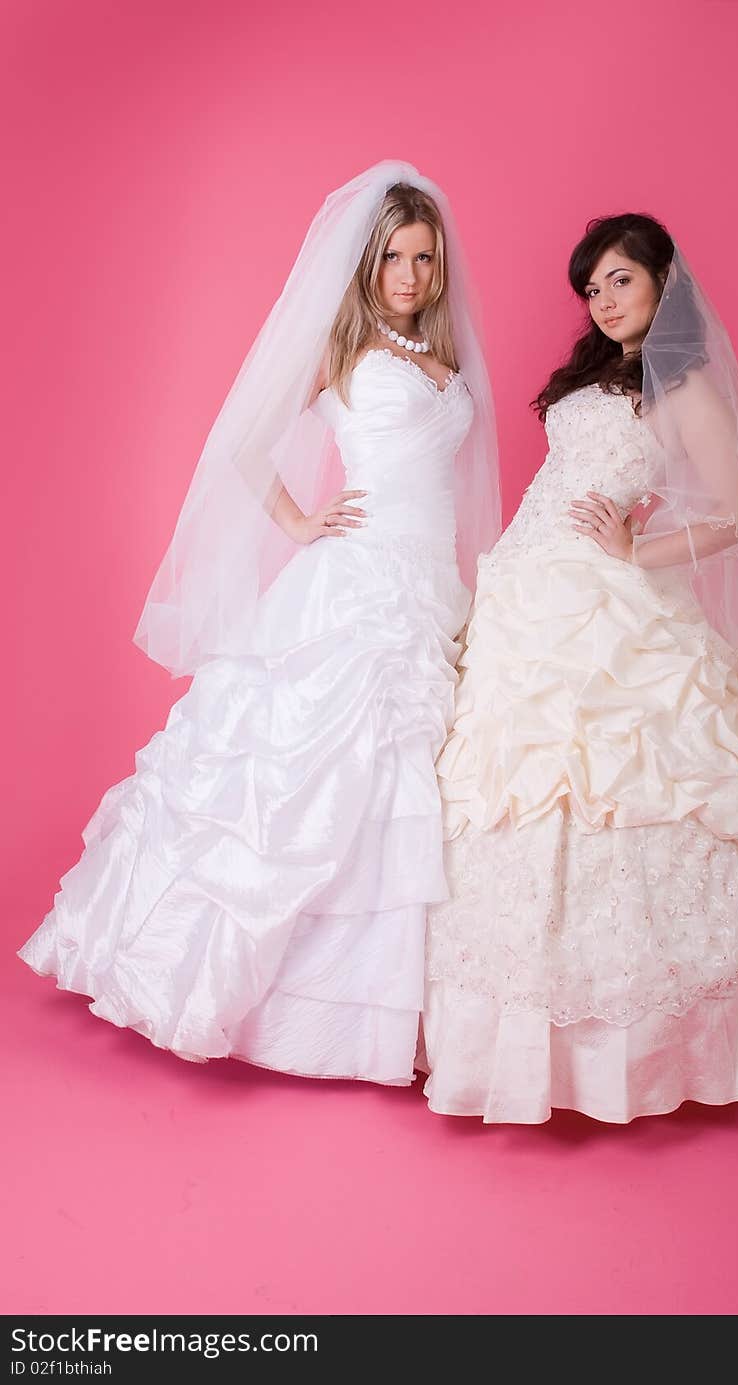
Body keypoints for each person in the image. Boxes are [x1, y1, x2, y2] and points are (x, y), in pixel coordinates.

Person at [19, 161, 500, 1087]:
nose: (411, 276)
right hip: (355, 589)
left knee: (403, 796)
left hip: (430, 594)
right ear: (365, 265)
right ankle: (250, 996)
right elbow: (241, 439)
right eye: (395, 258)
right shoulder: (345, 350)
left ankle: (379, 1014)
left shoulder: (444, 363)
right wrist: (299, 523)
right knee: (310, 787)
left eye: (425, 258)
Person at [421, 213, 738, 1124]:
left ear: (666, 281)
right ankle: (515, 1033)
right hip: (528, 594)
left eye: (621, 279)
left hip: (606, 602)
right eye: (592, 287)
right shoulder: (598, 375)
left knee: (624, 784)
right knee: (516, 791)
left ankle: (644, 1048)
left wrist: (639, 554)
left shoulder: (686, 384)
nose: (603, 300)